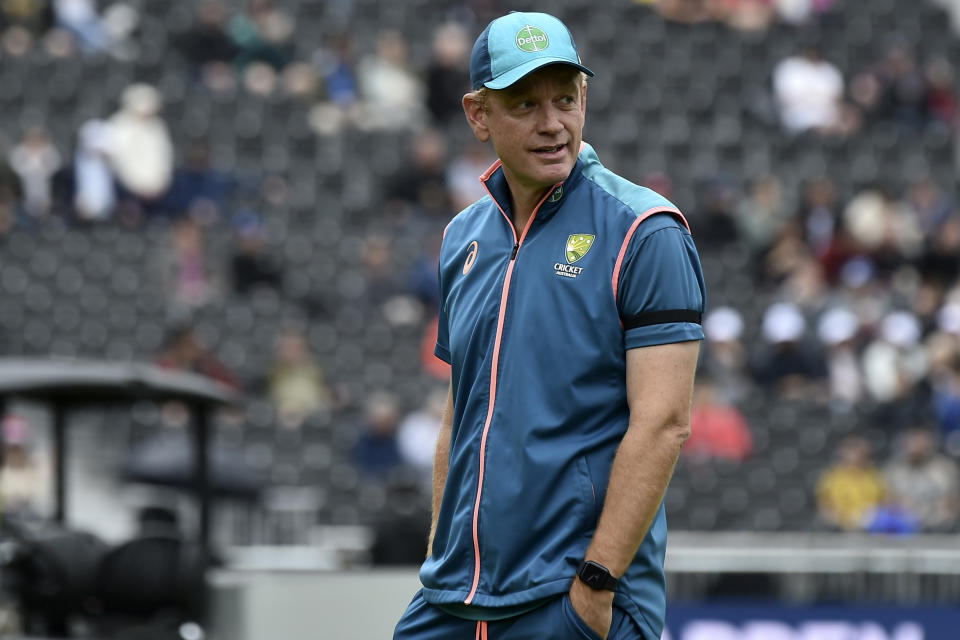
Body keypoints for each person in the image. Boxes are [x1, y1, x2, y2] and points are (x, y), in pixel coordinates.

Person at [394, 12, 705, 640]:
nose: (551, 123)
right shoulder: (463, 237)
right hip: (457, 595)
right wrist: (440, 549)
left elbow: (664, 424)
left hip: (571, 598)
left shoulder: (646, 231)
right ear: (478, 115)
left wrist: (594, 585)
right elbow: (461, 411)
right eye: (525, 104)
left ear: (584, 98)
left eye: (565, 98)